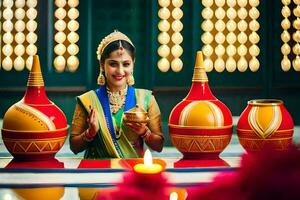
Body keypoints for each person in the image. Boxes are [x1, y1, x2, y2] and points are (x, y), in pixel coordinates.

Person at [70, 30, 164, 159]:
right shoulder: (88, 101)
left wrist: (144, 132)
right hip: (96, 174)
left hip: (131, 173)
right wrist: (90, 133)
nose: (120, 71)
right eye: (113, 64)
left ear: (133, 64)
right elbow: (74, 147)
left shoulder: (146, 99)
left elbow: (158, 146)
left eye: (126, 64)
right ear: (102, 64)